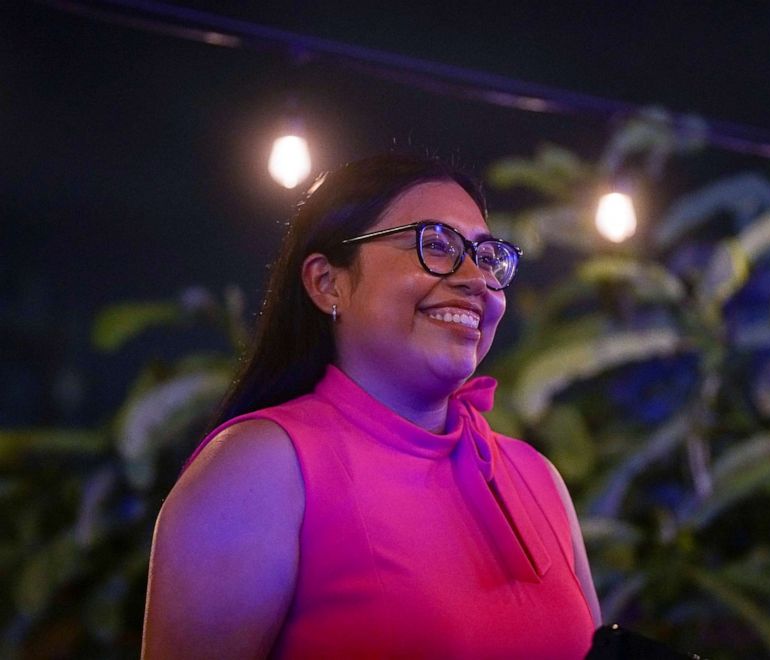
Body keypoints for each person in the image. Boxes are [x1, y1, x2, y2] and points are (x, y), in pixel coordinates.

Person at [141, 153, 601, 658]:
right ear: (327, 283)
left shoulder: (538, 477)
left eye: (488, 256)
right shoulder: (258, 467)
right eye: (436, 245)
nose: (476, 278)